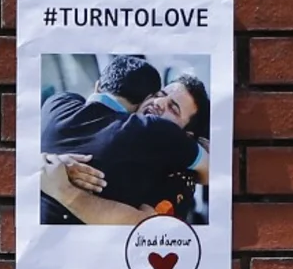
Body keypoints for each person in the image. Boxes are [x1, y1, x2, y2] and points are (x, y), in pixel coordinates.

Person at [40, 69, 211, 225]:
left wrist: (65, 191)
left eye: (173, 108)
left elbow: (147, 229)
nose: (159, 103)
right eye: (159, 94)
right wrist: (48, 162)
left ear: (187, 136)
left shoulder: (178, 178)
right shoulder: (97, 121)